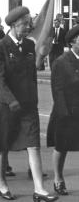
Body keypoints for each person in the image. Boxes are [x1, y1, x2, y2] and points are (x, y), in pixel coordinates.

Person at [0, 6, 58, 201]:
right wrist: (11, 101)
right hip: (8, 105)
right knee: (2, 147)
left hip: (28, 105)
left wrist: (42, 54)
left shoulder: (29, 45)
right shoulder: (0, 47)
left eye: (29, 23)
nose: (28, 27)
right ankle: (2, 183)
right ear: (13, 25)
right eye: (24, 24)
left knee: (33, 145)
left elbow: (33, 69)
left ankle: (39, 189)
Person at [47, 25, 79, 196]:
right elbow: (57, 90)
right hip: (67, 112)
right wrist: (64, 113)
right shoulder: (61, 62)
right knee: (62, 147)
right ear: (73, 41)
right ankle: (58, 178)